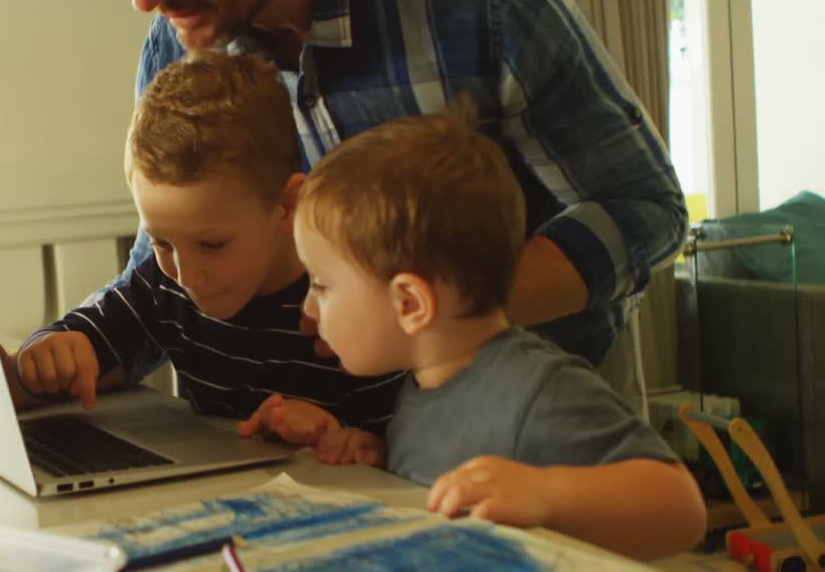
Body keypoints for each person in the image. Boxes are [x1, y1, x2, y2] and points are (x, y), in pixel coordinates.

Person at [80, 0, 687, 369]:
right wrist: (57, 359)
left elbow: (643, 211)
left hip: (541, 413)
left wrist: (426, 318)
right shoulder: (179, 39)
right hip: (344, 439)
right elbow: (166, 273)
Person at [0, 51, 402, 440]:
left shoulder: (343, 302)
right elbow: (90, 336)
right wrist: (39, 361)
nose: (186, 273)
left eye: (212, 243)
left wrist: (343, 438)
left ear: (287, 205)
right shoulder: (165, 286)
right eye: (160, 241)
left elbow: (400, 447)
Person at [283, 105, 705, 561]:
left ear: (410, 304)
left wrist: (544, 492)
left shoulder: (536, 388)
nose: (308, 305)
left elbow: (681, 509)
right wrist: (383, 459)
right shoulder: (423, 386)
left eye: (321, 285)